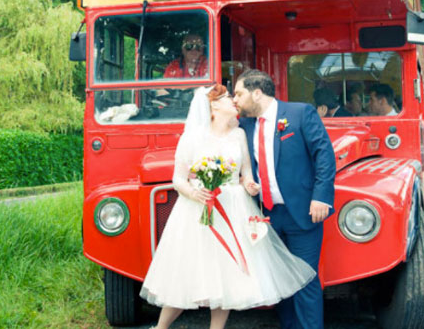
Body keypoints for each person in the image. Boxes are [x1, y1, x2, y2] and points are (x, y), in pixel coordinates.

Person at [140, 84, 316, 329]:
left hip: (234, 209)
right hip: (196, 211)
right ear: (213, 106)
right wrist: (195, 192)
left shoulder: (239, 135)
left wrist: (250, 185)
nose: (234, 101)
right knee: (185, 273)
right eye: (227, 98)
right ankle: (160, 328)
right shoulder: (192, 137)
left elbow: (245, 174)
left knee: (228, 274)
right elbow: (178, 179)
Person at [233, 70, 336, 329]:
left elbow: (324, 155)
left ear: (257, 93)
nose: (235, 100)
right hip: (267, 216)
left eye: (239, 93)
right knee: (280, 279)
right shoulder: (243, 125)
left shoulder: (301, 114)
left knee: (305, 279)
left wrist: (321, 197)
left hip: (303, 212)